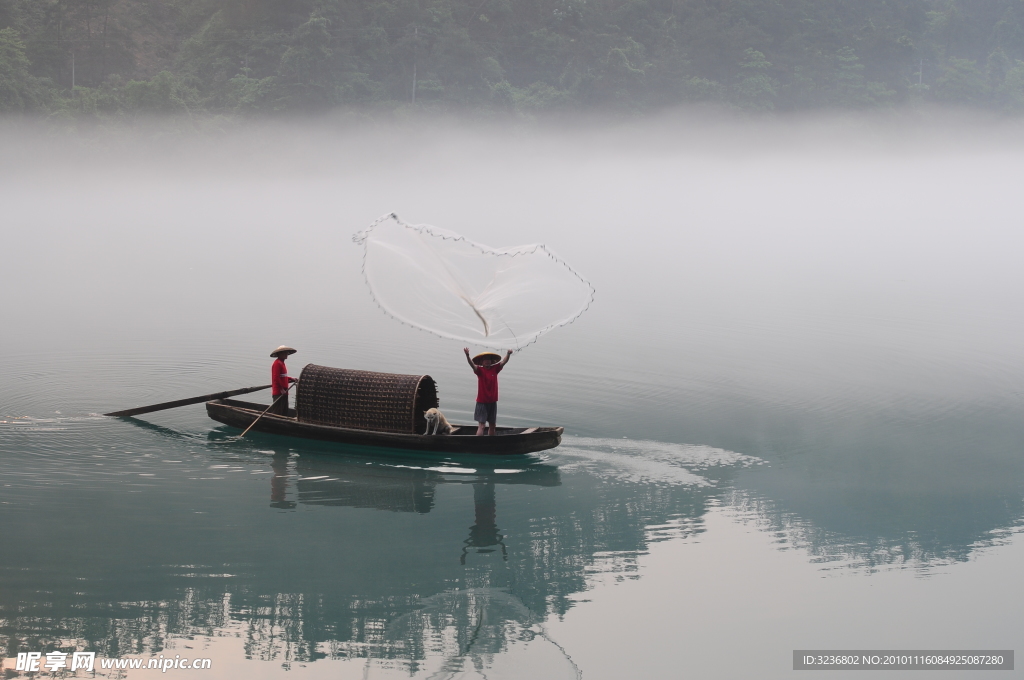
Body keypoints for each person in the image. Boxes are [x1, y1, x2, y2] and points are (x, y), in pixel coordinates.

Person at [464, 348, 512, 436]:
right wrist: (467, 355)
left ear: (491, 361)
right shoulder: (479, 370)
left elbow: (504, 362)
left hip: (493, 402)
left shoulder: (495, 369)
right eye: (485, 360)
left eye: (489, 359)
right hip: (482, 402)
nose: (487, 361)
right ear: (482, 362)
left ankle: (491, 444)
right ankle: (478, 445)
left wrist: (508, 354)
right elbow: (472, 364)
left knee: (492, 425)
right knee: (482, 425)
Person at [269, 346, 299, 415]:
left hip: (285, 391)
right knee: (278, 413)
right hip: (279, 392)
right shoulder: (277, 363)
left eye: (286, 352)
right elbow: (276, 378)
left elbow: (283, 376)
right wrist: (281, 389)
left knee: (284, 411)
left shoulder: (282, 363)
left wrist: (291, 378)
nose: (286, 354)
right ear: (280, 354)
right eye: (284, 353)